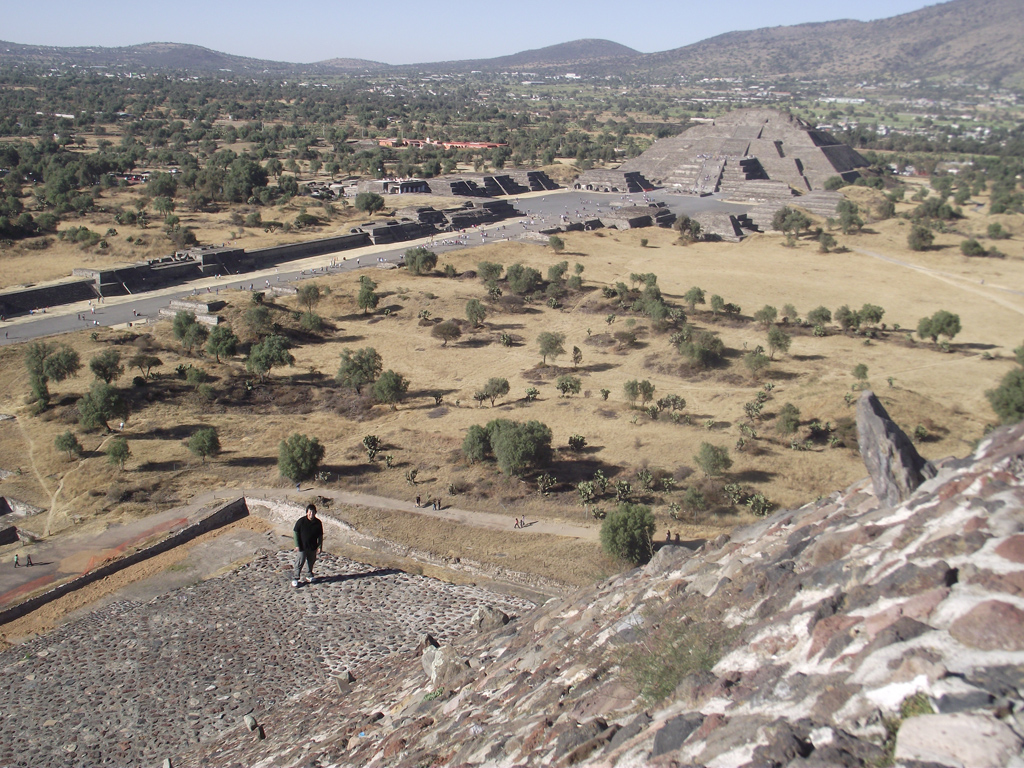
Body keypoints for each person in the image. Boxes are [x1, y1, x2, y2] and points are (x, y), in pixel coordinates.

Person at [292, 504, 323, 587]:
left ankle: (309, 575)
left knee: (311, 561)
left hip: (312, 547)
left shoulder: (318, 523)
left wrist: (319, 547)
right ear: (307, 513)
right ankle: (295, 578)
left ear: (315, 513)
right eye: (310, 512)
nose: (311, 514)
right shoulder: (301, 521)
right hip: (302, 547)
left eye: (313, 512)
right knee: (299, 562)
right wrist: (297, 545)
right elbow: (295, 532)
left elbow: (320, 536)